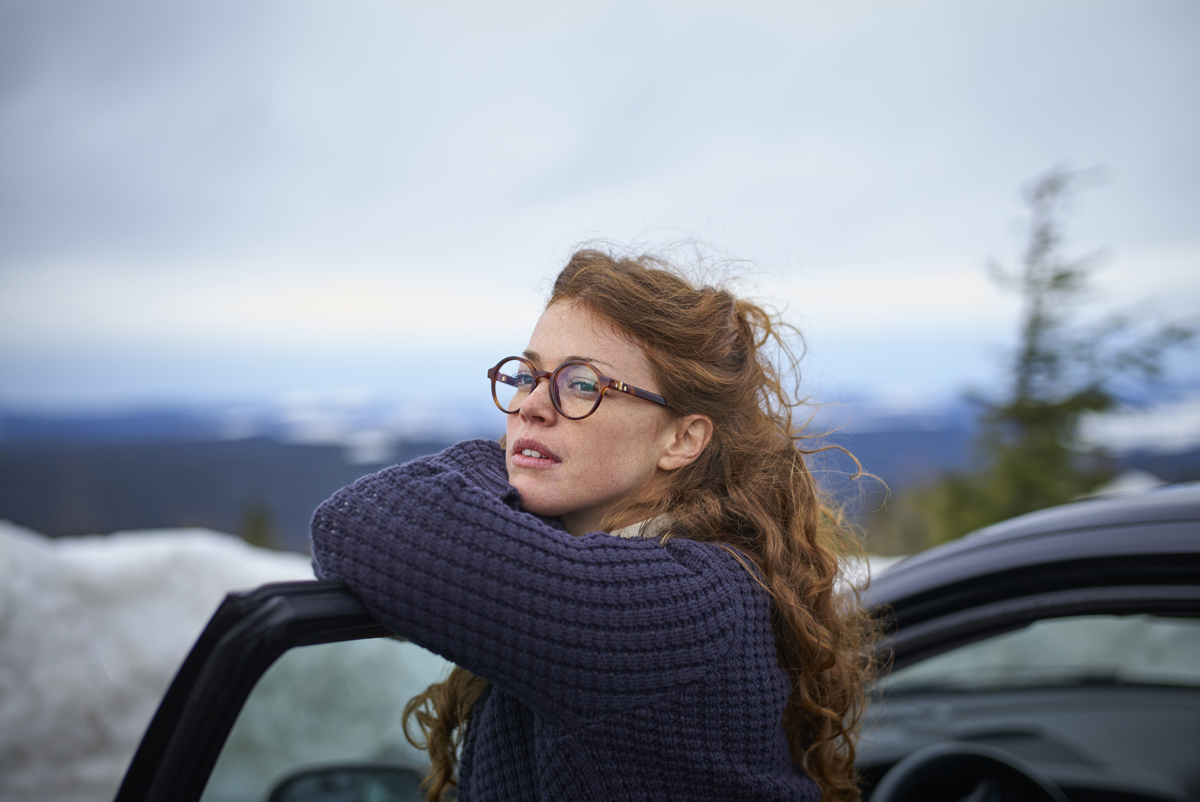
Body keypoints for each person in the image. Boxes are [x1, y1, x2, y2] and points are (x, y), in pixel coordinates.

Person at [310, 248, 871, 801]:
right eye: (528, 375)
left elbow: (359, 524)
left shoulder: (682, 603)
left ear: (682, 440)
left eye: (582, 384)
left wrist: (509, 457)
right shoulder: (608, 566)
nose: (530, 405)